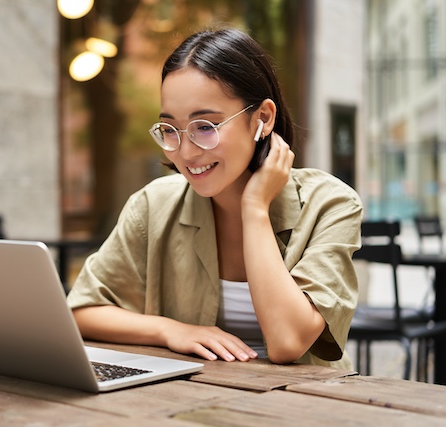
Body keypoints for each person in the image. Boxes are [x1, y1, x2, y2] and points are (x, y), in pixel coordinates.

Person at [66, 27, 363, 369]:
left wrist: (255, 208)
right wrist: (171, 331)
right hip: (191, 402)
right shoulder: (154, 204)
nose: (186, 152)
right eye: (170, 130)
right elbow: (80, 312)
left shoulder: (331, 203)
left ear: (262, 118)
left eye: (205, 126)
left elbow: (288, 342)